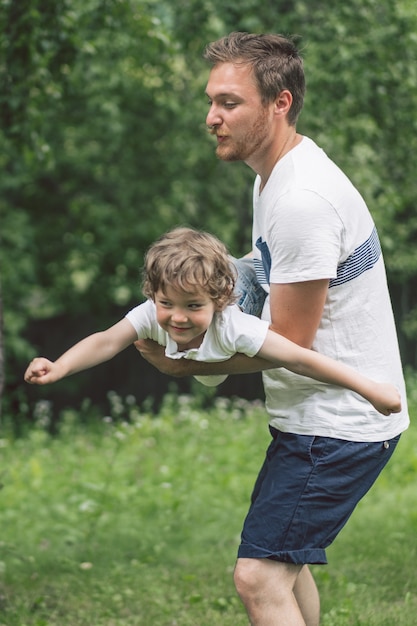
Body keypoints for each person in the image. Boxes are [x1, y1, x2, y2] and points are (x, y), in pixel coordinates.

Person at [133, 33, 410, 626]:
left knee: (258, 576)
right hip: (318, 416)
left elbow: (289, 344)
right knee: (288, 565)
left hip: (339, 423)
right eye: (211, 102)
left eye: (229, 103)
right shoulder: (276, 177)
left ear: (279, 103)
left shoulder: (302, 200)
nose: (212, 117)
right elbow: (265, 278)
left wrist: (188, 365)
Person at [25, 226, 400, 421]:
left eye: (192, 306)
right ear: (152, 295)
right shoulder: (155, 313)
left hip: (246, 289)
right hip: (224, 285)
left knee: (248, 274)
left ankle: (261, 256)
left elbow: (299, 357)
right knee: (225, 272)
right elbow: (107, 341)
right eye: (166, 303)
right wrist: (59, 366)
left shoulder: (232, 325)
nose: (178, 317)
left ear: (215, 303)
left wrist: (370, 389)